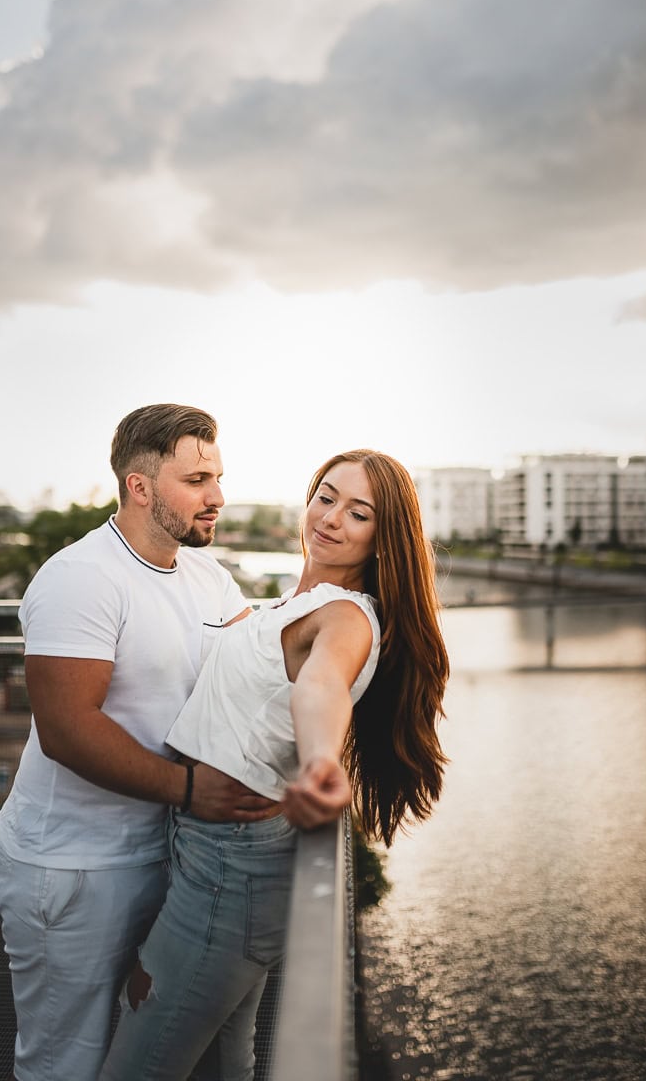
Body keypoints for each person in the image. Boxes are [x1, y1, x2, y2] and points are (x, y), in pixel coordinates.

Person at [99, 448, 450, 1081]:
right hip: (210, 851)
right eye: (327, 496)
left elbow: (321, 688)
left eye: (359, 513)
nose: (333, 519)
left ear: (383, 539)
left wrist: (321, 761)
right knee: (223, 1062)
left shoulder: (345, 618)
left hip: (230, 872)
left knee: (139, 1060)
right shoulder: (290, 605)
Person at [0, 404, 278, 1081]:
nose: (218, 496)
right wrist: (189, 790)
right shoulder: (80, 578)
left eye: (219, 476)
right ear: (140, 487)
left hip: (167, 856)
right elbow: (67, 729)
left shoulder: (208, 576)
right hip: (73, 868)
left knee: (148, 1054)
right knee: (69, 1063)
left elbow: (262, 666)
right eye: (198, 479)